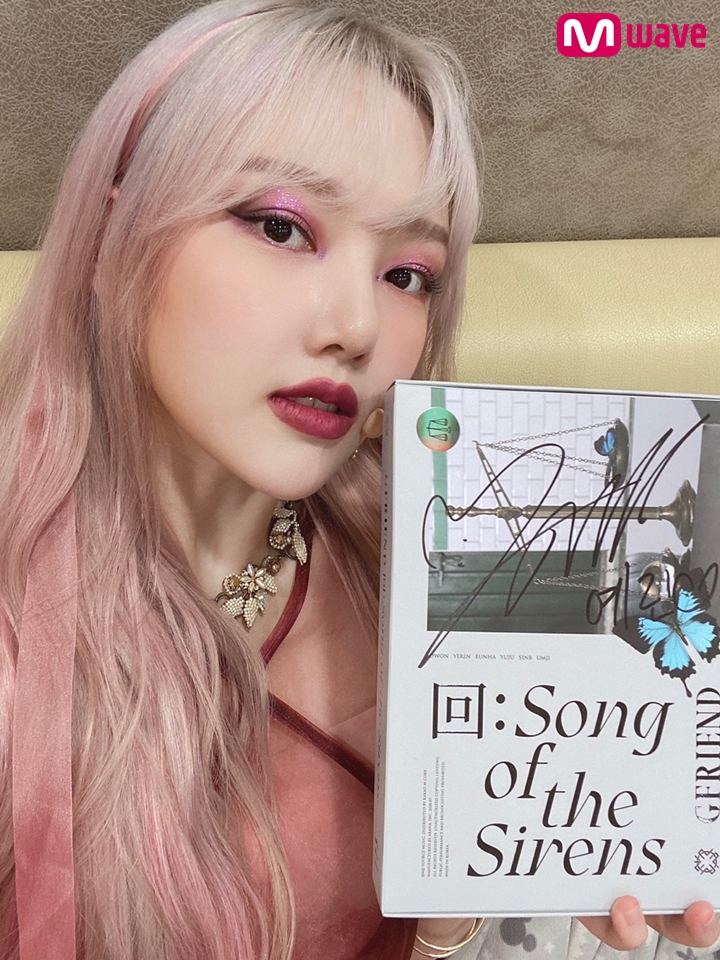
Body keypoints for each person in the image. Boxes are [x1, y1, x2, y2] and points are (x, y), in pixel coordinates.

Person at [0, 2, 716, 959]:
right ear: (109, 233)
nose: (357, 329)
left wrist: (493, 877)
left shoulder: (439, 562)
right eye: (282, 226)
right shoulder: (21, 641)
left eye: (408, 274)